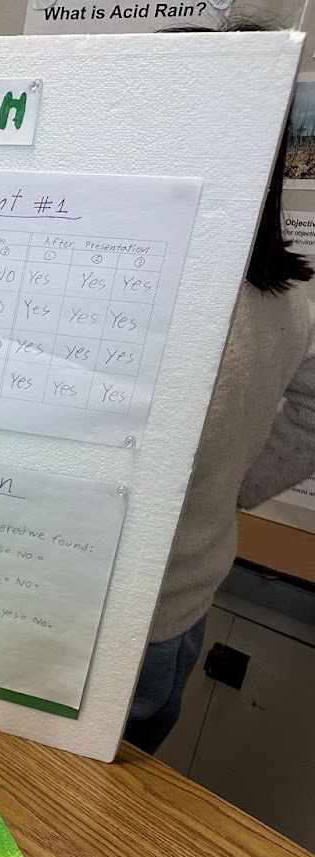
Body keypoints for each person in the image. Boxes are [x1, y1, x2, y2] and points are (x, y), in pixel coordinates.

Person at [125, 119, 315, 753]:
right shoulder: (286, 299)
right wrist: (234, 485)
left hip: (121, 612)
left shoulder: (139, 277)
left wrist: (234, 483)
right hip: (170, 606)